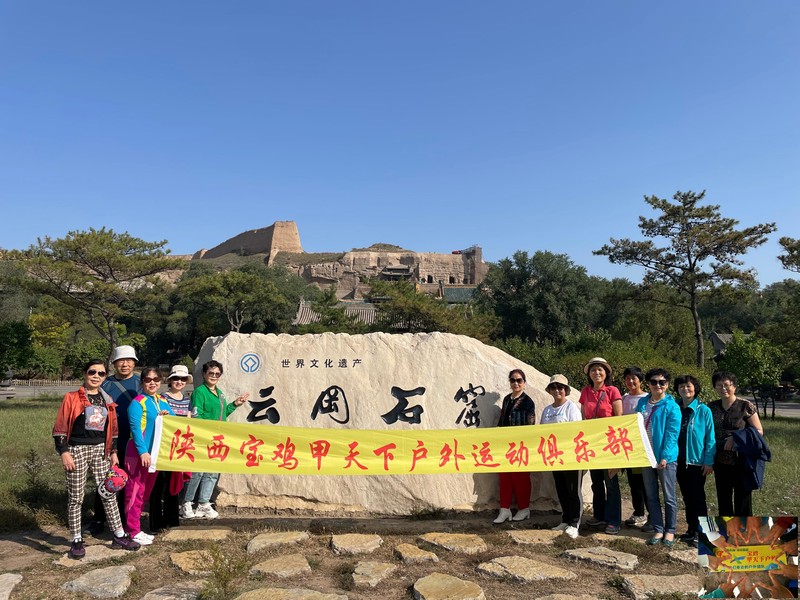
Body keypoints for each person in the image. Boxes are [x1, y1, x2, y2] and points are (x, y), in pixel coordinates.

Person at [52, 360, 140, 558]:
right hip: (76, 449)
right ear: (85, 373)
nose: (96, 376)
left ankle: (119, 535)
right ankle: (76, 539)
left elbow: (113, 429)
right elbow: (60, 427)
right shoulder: (72, 398)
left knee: (108, 492)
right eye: (92, 372)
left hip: (101, 450)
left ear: (104, 376)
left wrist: (113, 452)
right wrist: (64, 452)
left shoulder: (107, 399)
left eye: (101, 373)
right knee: (76, 497)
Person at [181, 360, 249, 520]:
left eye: (217, 374)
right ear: (204, 374)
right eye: (211, 373)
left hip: (218, 439)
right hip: (203, 437)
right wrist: (206, 432)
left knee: (212, 472)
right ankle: (187, 502)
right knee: (197, 472)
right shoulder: (200, 392)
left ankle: (203, 503)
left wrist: (235, 404)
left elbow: (222, 415)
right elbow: (197, 415)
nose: (214, 376)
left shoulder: (220, 393)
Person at [86, 345, 141, 536]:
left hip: (133, 439)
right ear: (114, 363)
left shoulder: (140, 383)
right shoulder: (105, 383)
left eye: (129, 360)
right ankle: (99, 518)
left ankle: (124, 518)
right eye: (121, 361)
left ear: (134, 362)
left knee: (127, 479)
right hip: (108, 438)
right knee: (105, 478)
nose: (125, 364)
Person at [124, 366, 175, 545]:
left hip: (155, 455)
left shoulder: (163, 401)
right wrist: (142, 452)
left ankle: (136, 527)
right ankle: (132, 531)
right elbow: (136, 429)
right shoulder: (138, 403)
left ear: (161, 381)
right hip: (140, 455)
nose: (152, 383)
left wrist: (167, 416)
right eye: (148, 379)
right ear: (142, 382)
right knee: (135, 493)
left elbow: (174, 422)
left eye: (156, 379)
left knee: (145, 493)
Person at [635, 368, 681, 547]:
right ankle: (658, 528)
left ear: (667, 385)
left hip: (665, 458)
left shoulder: (672, 406)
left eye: (662, 382)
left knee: (669, 496)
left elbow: (672, 434)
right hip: (646, 456)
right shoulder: (642, 403)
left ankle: (670, 530)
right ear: (648, 384)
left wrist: (666, 456)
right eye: (654, 382)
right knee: (651, 495)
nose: (658, 385)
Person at [709, 371, 763, 516]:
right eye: (719, 385)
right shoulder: (712, 407)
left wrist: (736, 438)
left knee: (743, 498)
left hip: (742, 459)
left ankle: (744, 527)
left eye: (727, 385)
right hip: (720, 459)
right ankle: (727, 528)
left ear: (734, 386)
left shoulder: (745, 406)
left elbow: (758, 431)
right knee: (723, 498)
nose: (723, 388)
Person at [578, 357, 623, 534]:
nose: (596, 372)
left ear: (606, 373)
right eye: (593, 370)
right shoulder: (585, 391)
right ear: (589, 374)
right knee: (596, 482)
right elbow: (584, 418)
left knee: (611, 482)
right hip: (592, 443)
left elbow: (619, 418)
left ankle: (613, 520)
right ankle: (599, 515)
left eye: (600, 369)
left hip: (609, 443)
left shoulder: (612, 391)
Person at [148, 365, 192, 532]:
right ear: (170, 380)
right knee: (158, 484)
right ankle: (156, 522)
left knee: (174, 484)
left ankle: (172, 520)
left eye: (183, 379)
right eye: (176, 378)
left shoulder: (187, 400)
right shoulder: (161, 398)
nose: (179, 382)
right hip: (162, 446)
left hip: (179, 448)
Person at [674, 374, 716, 547]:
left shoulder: (703, 410)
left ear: (695, 388)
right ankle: (691, 529)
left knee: (698, 498)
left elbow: (710, 438)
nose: (685, 389)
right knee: (687, 497)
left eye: (688, 386)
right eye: (681, 386)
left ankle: (704, 534)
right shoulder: (675, 408)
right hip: (678, 461)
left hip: (696, 462)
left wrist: (709, 461)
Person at [541, 374, 583, 539]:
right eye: (553, 387)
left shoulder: (571, 408)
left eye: (560, 387)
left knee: (573, 490)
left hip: (571, 456)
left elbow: (577, 432)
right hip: (554, 457)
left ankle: (575, 523)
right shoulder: (547, 410)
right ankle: (565, 519)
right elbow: (542, 432)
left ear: (566, 390)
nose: (557, 390)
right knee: (561, 489)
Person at [492, 368, 536, 524]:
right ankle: (504, 509)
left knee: (520, 478)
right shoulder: (506, 399)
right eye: (513, 380)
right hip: (505, 445)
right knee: (504, 477)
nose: (516, 383)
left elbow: (530, 425)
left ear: (524, 383)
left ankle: (524, 508)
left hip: (520, 446)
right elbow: (502, 420)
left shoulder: (528, 402)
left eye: (519, 380)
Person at [621, 366, 649, 529]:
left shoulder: (647, 398)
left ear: (640, 380)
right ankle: (639, 512)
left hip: (642, 446)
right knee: (633, 481)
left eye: (634, 378)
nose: (630, 381)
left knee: (645, 482)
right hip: (628, 446)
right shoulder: (624, 398)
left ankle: (649, 514)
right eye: (627, 378)